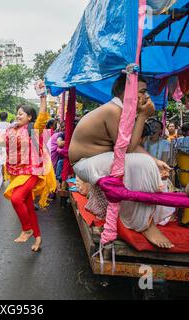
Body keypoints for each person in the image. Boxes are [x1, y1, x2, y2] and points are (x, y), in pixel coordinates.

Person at [69, 74, 176, 249]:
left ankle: (145, 218)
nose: (146, 96)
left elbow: (129, 147)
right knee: (142, 164)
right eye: (142, 91)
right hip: (85, 163)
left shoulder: (121, 111)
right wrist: (143, 116)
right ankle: (144, 225)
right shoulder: (113, 110)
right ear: (128, 93)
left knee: (148, 165)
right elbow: (127, 149)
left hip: (101, 160)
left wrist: (156, 161)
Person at [3, 80, 57, 252]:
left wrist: (42, 97)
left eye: (21, 114)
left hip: (33, 171)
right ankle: (38, 238)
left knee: (16, 198)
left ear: (29, 117)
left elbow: (42, 115)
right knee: (26, 205)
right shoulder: (13, 130)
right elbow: (2, 142)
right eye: (17, 113)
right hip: (18, 172)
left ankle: (26, 229)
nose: (18, 116)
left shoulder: (34, 129)